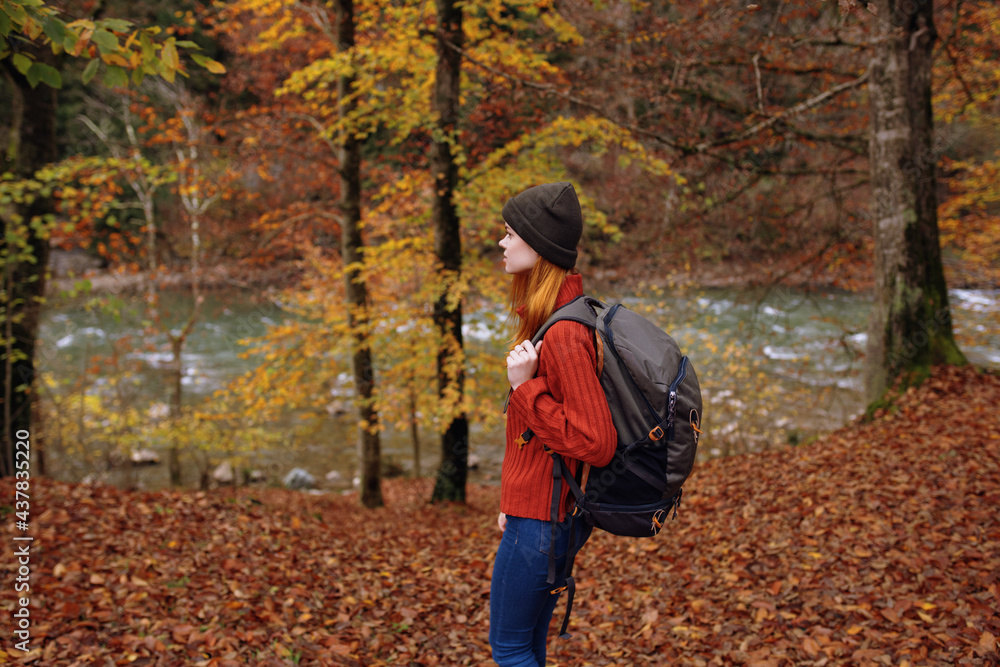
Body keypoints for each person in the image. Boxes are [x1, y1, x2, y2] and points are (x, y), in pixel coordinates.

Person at [489, 181, 617, 666]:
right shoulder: (554, 318)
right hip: (538, 517)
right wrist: (513, 503)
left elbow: (595, 442)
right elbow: (535, 441)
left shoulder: (563, 333)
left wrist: (526, 389)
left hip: (543, 524)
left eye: (509, 234)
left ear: (538, 245)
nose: (501, 243)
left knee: (510, 650)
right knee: (526, 647)